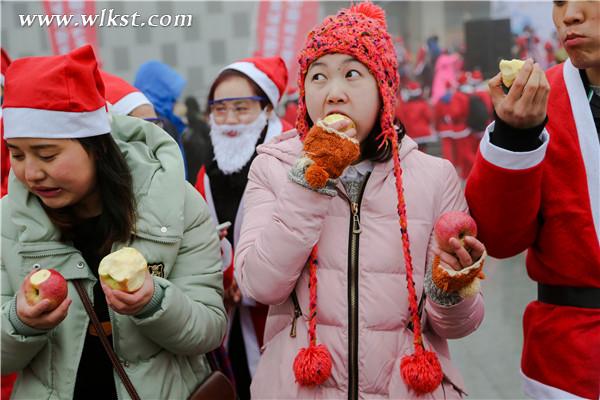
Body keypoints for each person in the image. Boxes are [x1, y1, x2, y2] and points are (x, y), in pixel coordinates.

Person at [235, 4, 486, 398]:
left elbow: (459, 326)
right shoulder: (272, 168)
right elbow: (260, 284)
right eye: (318, 77)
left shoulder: (435, 178)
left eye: (352, 74)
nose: (334, 93)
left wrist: (448, 286)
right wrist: (310, 179)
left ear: (383, 88)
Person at [0, 45, 227, 399]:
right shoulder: (9, 221)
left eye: (47, 154)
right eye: (16, 153)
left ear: (98, 147)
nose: (31, 173)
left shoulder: (175, 205)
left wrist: (154, 303)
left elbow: (209, 329)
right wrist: (20, 322)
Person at [465, 1, 599, 399]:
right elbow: (500, 237)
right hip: (570, 363)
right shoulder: (543, 99)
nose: (568, 16)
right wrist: (514, 137)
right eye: (558, 2)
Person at [194, 56, 292, 400]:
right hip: (229, 318)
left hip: (282, 319)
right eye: (219, 110)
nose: (230, 120)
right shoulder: (208, 173)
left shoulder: (290, 161)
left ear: (267, 110)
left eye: (241, 108)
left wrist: (247, 279)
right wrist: (220, 276)